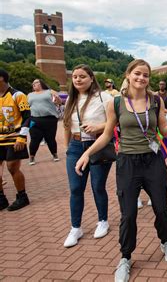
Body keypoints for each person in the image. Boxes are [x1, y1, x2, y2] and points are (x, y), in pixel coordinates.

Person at [75, 59, 167, 282]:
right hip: (127, 163)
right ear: (129, 74)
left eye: (146, 75)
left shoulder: (155, 100)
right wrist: (86, 153)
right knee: (128, 213)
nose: (142, 78)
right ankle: (125, 257)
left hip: (153, 161)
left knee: (161, 208)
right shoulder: (115, 103)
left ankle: (165, 241)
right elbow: (106, 134)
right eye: (138, 74)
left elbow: (163, 131)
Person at [62, 64, 113, 248]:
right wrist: (68, 147)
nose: (77, 79)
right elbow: (67, 125)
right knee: (76, 188)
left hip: (98, 144)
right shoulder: (71, 99)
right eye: (75, 76)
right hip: (76, 146)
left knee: (98, 186)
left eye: (82, 76)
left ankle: (103, 221)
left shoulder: (104, 97)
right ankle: (76, 227)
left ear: (92, 78)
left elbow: (113, 123)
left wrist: (98, 127)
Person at [0, 69, 31, 211]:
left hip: (14, 137)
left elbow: (27, 117)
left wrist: (22, 137)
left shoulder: (17, 95)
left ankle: (22, 196)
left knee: (12, 167)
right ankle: (1, 198)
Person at [27, 79, 61, 165]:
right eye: (33, 83)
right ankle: (32, 157)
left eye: (36, 82)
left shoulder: (49, 91)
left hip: (49, 119)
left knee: (50, 138)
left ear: (41, 83)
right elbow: (27, 106)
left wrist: (57, 99)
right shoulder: (30, 95)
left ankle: (55, 154)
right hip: (35, 119)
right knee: (34, 139)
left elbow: (59, 102)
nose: (34, 84)